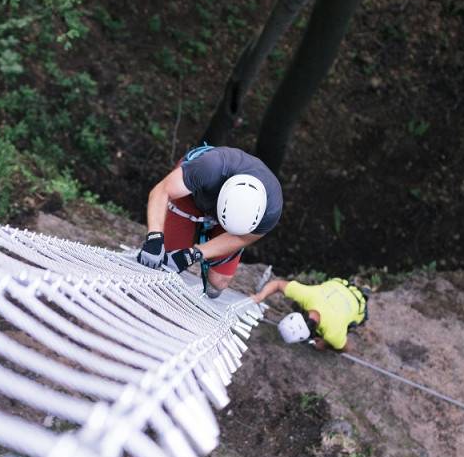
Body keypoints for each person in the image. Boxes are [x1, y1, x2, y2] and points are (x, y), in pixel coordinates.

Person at [135, 145, 283, 296]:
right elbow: (162, 190)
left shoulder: (270, 211)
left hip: (232, 223)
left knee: (218, 283)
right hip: (191, 195)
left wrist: (195, 254)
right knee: (165, 262)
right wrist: (154, 237)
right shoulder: (209, 167)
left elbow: (242, 237)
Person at [250, 277, 368, 351]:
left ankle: (365, 292)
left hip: (358, 303)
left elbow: (346, 348)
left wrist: (325, 344)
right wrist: (260, 296)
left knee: (355, 322)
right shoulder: (306, 295)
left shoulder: (333, 333)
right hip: (339, 285)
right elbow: (277, 284)